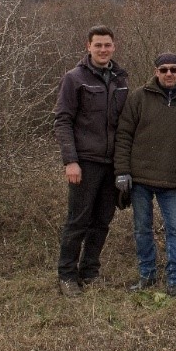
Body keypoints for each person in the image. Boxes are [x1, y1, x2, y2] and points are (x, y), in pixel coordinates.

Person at [114, 52, 176, 304]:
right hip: (140, 178)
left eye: (174, 69)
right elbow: (124, 135)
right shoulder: (139, 98)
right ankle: (147, 275)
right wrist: (122, 171)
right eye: (164, 69)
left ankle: (175, 282)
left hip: (175, 181)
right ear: (156, 71)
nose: (169, 74)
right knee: (142, 229)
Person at [53, 25, 129, 297]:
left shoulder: (121, 78)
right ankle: (67, 275)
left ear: (114, 46)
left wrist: (125, 163)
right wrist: (70, 161)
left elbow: (126, 123)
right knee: (78, 220)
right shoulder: (75, 79)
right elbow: (63, 120)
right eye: (98, 45)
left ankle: (90, 271)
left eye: (107, 45)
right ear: (88, 46)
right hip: (85, 162)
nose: (103, 50)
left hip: (112, 164)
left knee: (102, 220)